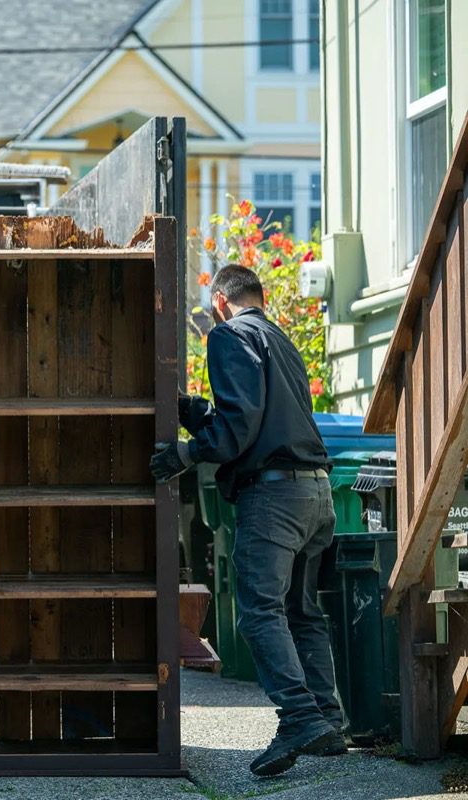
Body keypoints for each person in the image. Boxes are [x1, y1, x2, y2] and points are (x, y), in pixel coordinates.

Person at [149, 264, 345, 777]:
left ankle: (300, 718)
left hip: (274, 499)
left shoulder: (229, 335)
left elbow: (239, 427)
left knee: (258, 612)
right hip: (317, 494)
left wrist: (187, 453)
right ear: (259, 296)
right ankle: (326, 720)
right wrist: (196, 411)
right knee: (302, 613)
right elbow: (258, 417)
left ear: (219, 301)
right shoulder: (279, 339)